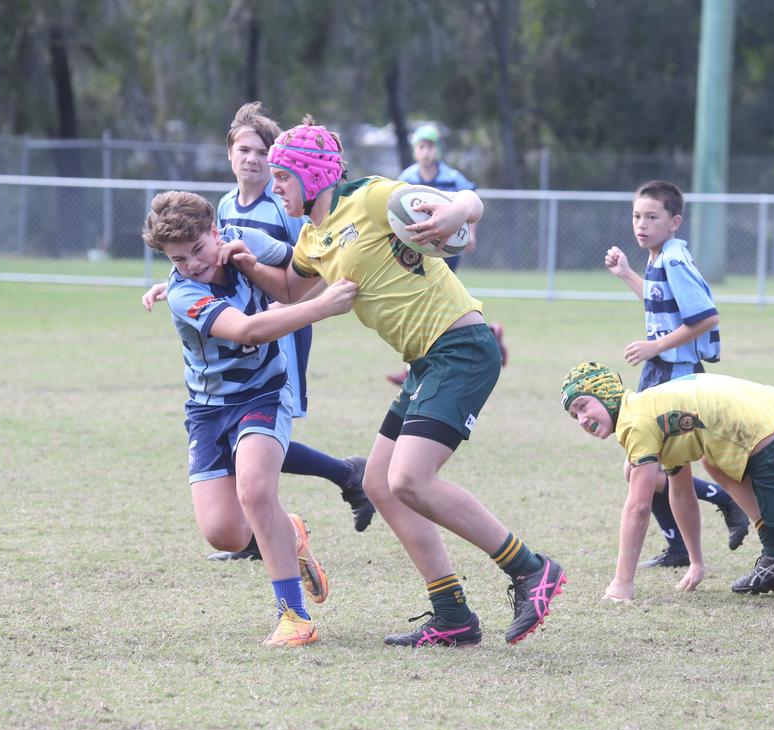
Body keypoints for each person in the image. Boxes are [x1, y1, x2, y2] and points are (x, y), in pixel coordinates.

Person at [229, 116, 566, 647]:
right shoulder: (313, 236)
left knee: (410, 479)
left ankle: (530, 569)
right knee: (378, 485)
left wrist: (456, 210)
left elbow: (471, 204)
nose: (274, 187)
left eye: (283, 177)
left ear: (314, 176)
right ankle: (452, 613)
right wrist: (246, 263)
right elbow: (292, 290)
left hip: (462, 348)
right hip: (426, 360)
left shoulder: (370, 197)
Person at [141, 190, 358, 646]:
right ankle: (289, 530)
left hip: (264, 391)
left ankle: (294, 617)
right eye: (178, 259)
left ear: (215, 231)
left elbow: (305, 268)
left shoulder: (246, 241)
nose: (193, 263)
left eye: (198, 250)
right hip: (207, 410)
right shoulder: (184, 294)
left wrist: (263, 270)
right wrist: (320, 309)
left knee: (255, 489)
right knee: (224, 534)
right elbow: (247, 329)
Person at [210, 102, 375, 560]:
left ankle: (344, 476)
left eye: (262, 152)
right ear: (229, 154)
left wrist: (284, 284)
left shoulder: (285, 206)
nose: (252, 159)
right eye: (243, 149)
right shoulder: (225, 205)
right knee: (241, 431)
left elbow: (312, 264)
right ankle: (261, 533)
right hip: (239, 332)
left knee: (262, 431)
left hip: (280, 331)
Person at [562, 362, 774, 601]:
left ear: (606, 393)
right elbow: (682, 493)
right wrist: (696, 562)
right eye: (575, 415)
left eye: (583, 405)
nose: (582, 419)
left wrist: (621, 584)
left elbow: (638, 507)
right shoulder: (651, 406)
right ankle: (773, 549)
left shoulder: (636, 422)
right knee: (712, 460)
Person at [604, 180, 750, 569]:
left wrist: (654, 347)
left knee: (645, 468)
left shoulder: (673, 259)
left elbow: (706, 318)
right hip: (660, 369)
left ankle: (719, 508)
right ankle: (684, 545)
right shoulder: (657, 256)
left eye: (652, 217)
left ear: (674, 222)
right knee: (656, 469)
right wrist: (625, 274)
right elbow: (658, 301)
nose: (642, 224)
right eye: (637, 216)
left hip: (677, 373)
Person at [388, 124, 506, 385]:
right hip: (417, 245)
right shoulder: (407, 176)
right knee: (431, 301)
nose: (426, 151)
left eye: (430, 146)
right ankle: (490, 334)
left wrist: (471, 235)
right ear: (415, 151)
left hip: (444, 247)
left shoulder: (452, 177)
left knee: (433, 300)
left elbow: (470, 201)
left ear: (437, 150)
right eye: (421, 146)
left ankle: (416, 369)